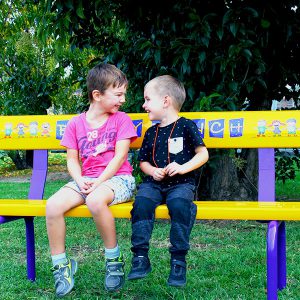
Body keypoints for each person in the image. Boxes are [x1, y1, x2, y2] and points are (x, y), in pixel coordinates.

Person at [46, 63, 137, 297]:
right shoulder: (76, 124)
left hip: (118, 179)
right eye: (118, 94)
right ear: (97, 95)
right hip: (86, 179)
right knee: (53, 205)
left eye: (124, 94)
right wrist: (80, 179)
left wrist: (97, 183)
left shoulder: (121, 120)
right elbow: (72, 160)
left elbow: (120, 157)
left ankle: (113, 259)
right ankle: (61, 266)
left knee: (95, 200)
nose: (123, 99)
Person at [128, 75, 209, 287]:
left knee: (179, 204)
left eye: (147, 100)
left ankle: (178, 260)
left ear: (165, 101)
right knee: (142, 203)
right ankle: (140, 257)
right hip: (154, 183)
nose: (144, 105)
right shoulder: (151, 132)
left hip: (181, 184)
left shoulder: (186, 126)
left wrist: (182, 168)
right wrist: (152, 171)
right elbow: (143, 161)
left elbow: (203, 154)